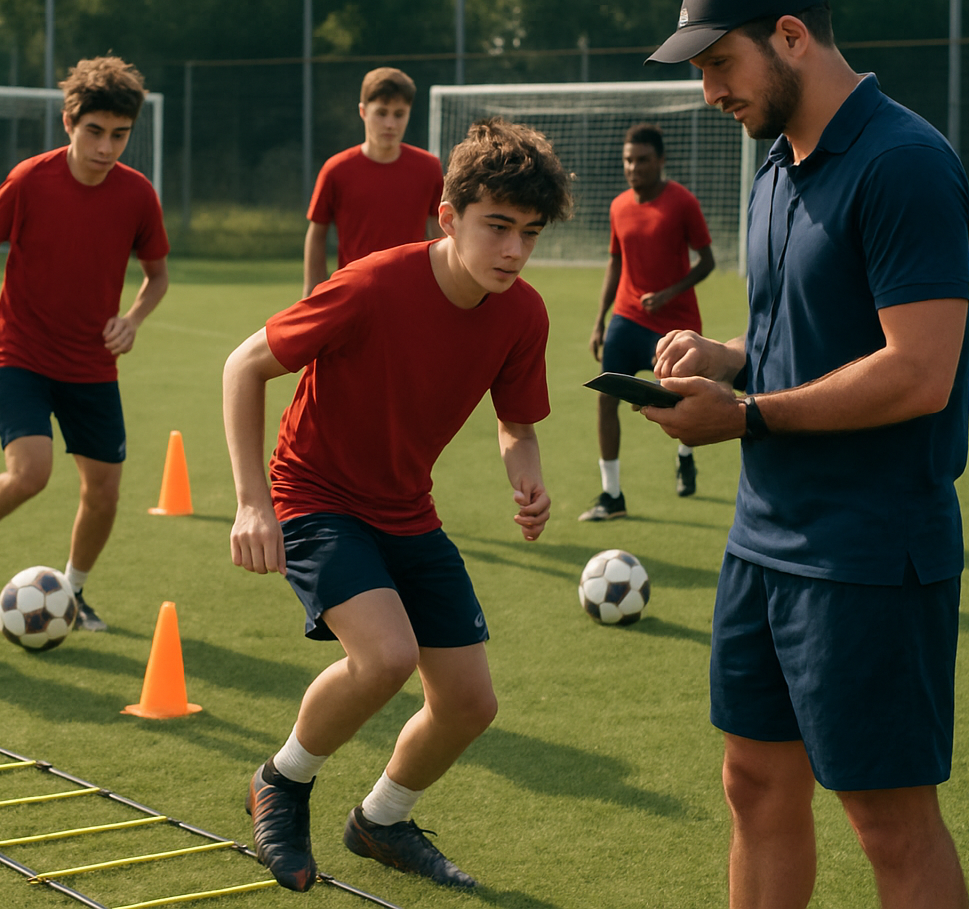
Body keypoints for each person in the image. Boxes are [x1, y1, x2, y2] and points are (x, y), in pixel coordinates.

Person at [641, 0, 969, 908]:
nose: (708, 92)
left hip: (870, 547)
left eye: (718, 64)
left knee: (888, 821)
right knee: (751, 781)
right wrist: (731, 357)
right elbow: (807, 326)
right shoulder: (777, 164)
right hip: (765, 537)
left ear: (790, 36)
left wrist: (744, 413)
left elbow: (919, 371)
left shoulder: (905, 162)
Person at [224, 118, 572, 890]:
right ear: (448, 219)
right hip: (314, 491)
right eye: (497, 227)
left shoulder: (524, 314)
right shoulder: (376, 284)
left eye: (530, 233)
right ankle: (282, 781)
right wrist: (252, 504)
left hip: (406, 507)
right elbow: (243, 366)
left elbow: (515, 423)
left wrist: (528, 472)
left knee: (469, 703)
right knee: (384, 657)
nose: (514, 250)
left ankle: (380, 820)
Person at [0, 56, 170, 632]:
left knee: (105, 492)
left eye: (119, 135)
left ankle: (74, 591)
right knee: (31, 473)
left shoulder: (137, 195)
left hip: (92, 364)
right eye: (94, 131)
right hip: (20, 353)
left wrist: (134, 317)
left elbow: (158, 274)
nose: (106, 146)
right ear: (69, 123)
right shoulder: (29, 181)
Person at [580, 122, 714, 521]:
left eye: (642, 160)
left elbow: (707, 262)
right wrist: (600, 320)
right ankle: (612, 496)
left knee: (681, 400)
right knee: (607, 397)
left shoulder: (682, 203)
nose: (633, 168)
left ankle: (685, 455)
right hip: (626, 316)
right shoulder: (618, 206)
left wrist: (671, 292)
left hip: (673, 323)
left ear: (660, 161)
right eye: (628, 160)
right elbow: (615, 262)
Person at [303, 67, 444, 297]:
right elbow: (317, 233)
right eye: (381, 112)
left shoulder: (429, 168)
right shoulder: (336, 170)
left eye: (399, 114)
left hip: (410, 292)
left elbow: (439, 232)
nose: (390, 123)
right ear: (363, 112)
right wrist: (312, 289)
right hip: (353, 293)